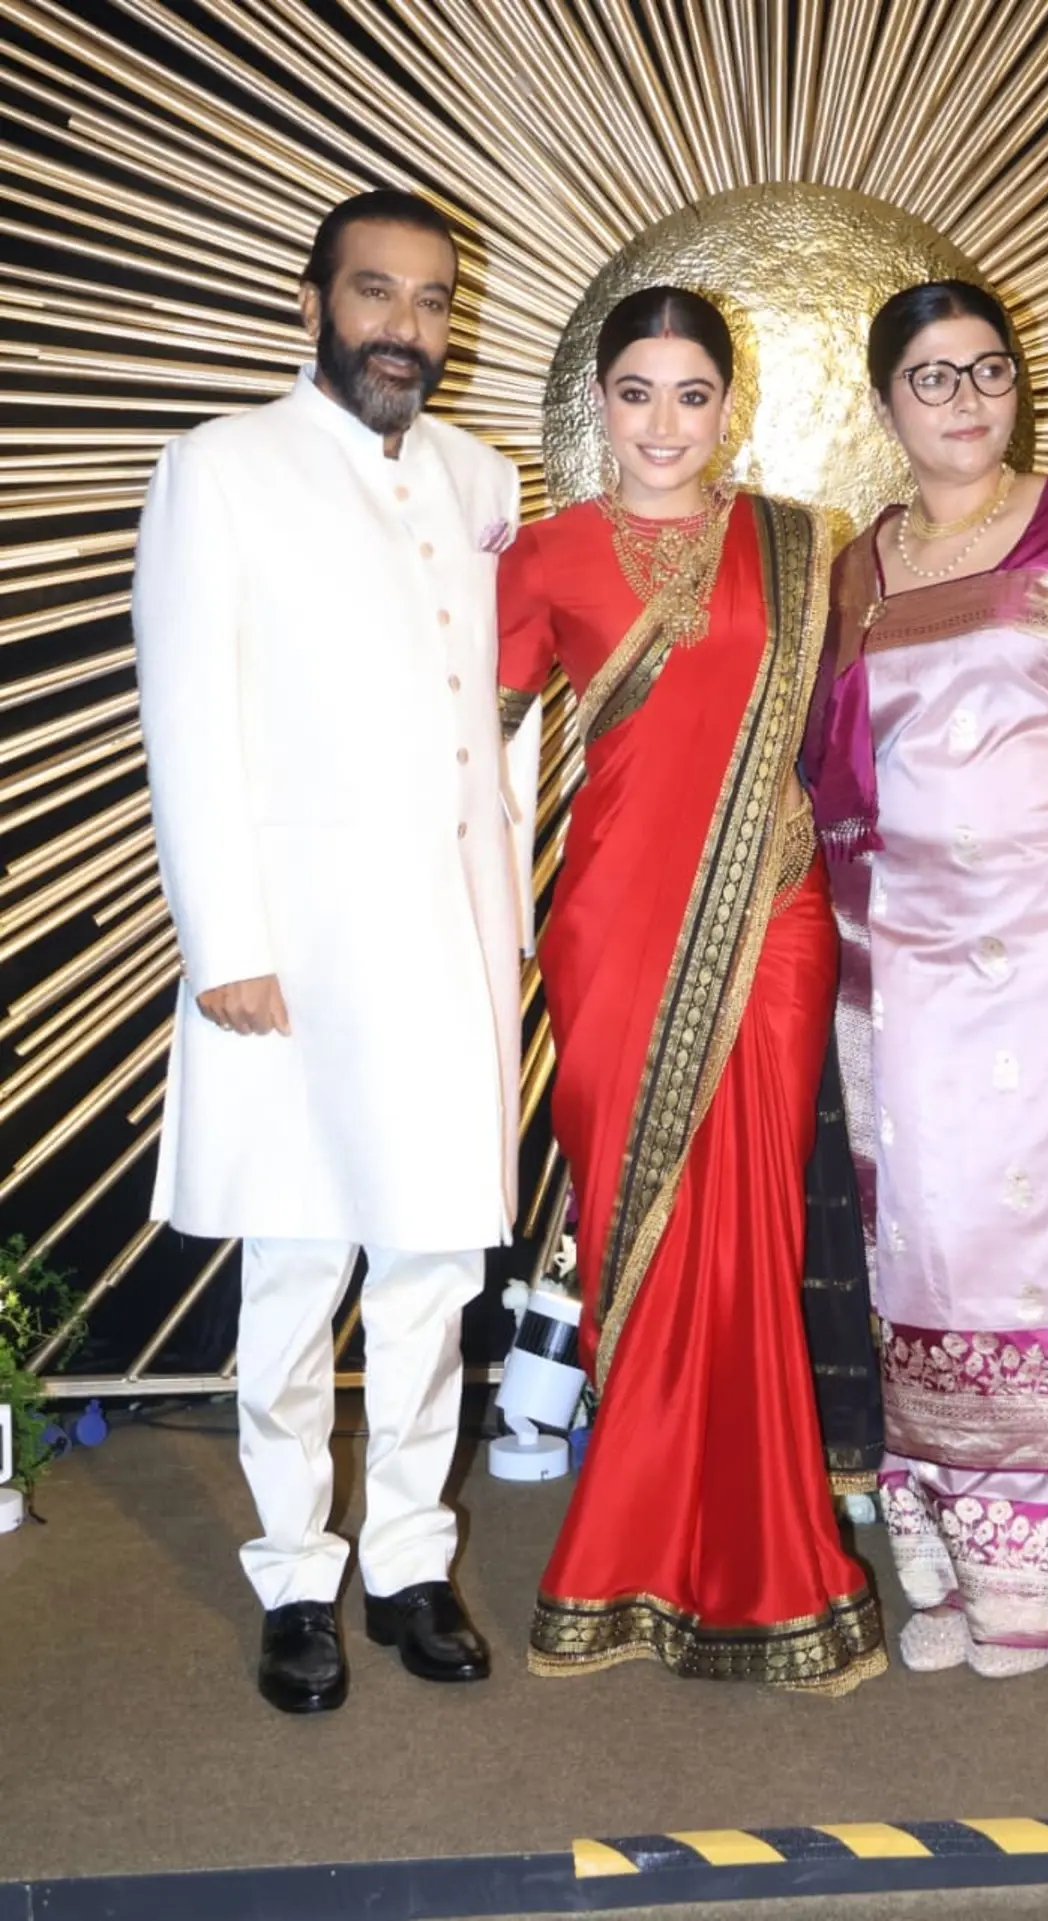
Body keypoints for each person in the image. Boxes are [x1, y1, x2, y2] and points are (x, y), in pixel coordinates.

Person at [133, 189, 527, 1714]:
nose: (406, 331)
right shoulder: (220, 469)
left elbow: (504, 721)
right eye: (378, 296)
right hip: (292, 952)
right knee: (298, 1270)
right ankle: (298, 1575)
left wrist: (509, 913)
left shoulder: (482, 476)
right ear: (315, 302)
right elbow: (185, 718)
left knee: (435, 1265)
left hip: (449, 945)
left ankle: (410, 1561)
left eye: (431, 303)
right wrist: (223, 938)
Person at [804, 279, 1048, 1677]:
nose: (967, 400)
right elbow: (829, 783)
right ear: (887, 403)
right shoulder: (858, 570)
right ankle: (954, 1566)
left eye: (988, 372)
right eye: (933, 377)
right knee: (932, 1261)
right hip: (904, 976)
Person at [497, 286, 886, 1694]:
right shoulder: (538, 558)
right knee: (633, 1226)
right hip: (611, 930)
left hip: (772, 927)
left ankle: (771, 1555)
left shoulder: (797, 544)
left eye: (693, 395)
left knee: (753, 1227)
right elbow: (457, 748)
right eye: (638, 392)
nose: (666, 423)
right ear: (598, 403)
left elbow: (846, 745)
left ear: (733, 406)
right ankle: (627, 1542)